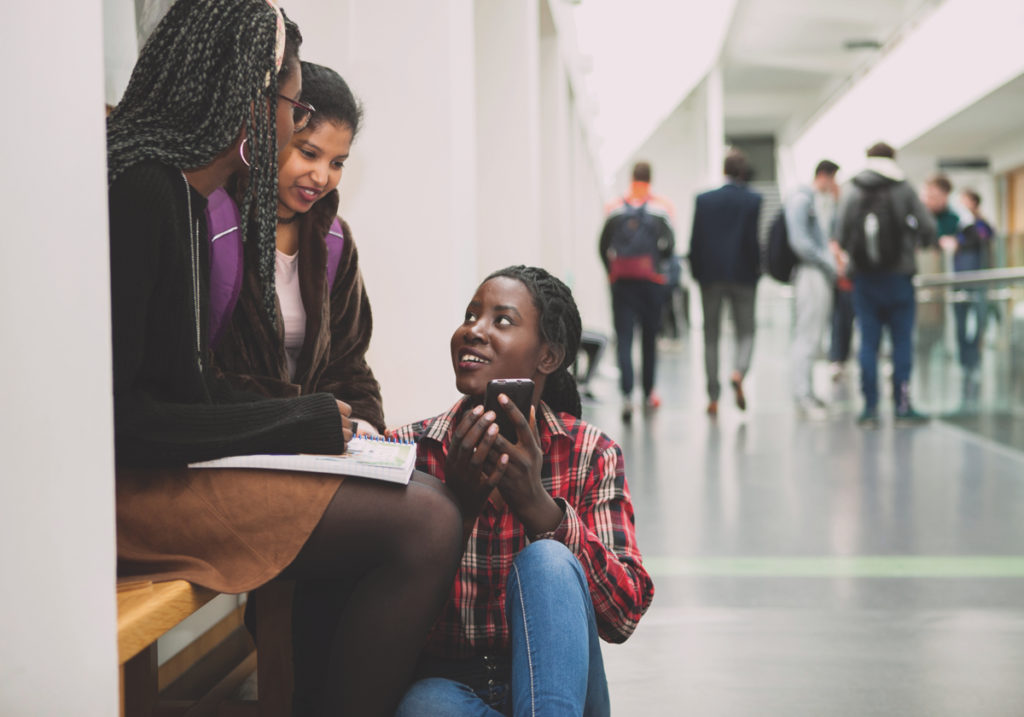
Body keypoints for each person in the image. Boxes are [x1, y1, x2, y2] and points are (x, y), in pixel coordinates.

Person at [105, 3, 462, 715]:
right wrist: (297, 424)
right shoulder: (150, 194)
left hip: (172, 472)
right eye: (293, 109)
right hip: (132, 493)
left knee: (427, 496)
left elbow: (193, 390)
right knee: (428, 522)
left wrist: (321, 420)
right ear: (250, 96)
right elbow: (126, 422)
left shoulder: (174, 193)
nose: (295, 128)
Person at [392, 266, 655, 716]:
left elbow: (623, 615)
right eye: (471, 315)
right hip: (453, 684)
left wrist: (541, 509)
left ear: (547, 357)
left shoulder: (591, 454)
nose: (474, 330)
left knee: (548, 561)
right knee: (424, 706)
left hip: (563, 685)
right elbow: (392, 625)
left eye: (502, 320)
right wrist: (454, 512)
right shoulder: (407, 452)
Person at [212, 61, 384, 435]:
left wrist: (363, 426)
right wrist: (298, 415)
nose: (322, 177)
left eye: (337, 163)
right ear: (274, 132)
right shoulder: (213, 222)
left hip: (309, 441)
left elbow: (349, 367)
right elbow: (201, 371)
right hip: (234, 439)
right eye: (309, 153)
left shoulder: (335, 241)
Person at [835, 142, 936, 427]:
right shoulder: (903, 187)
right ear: (893, 159)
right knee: (902, 343)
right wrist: (915, 242)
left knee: (868, 343)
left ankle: (870, 409)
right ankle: (903, 407)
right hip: (899, 278)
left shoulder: (852, 189)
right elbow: (928, 227)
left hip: (865, 280)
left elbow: (840, 234)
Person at [598, 161, 676, 421]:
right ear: (650, 178)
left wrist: (612, 272)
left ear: (632, 178)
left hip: (622, 283)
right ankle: (648, 393)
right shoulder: (661, 207)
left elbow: (602, 245)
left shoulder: (614, 208)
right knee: (649, 340)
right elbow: (670, 246)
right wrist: (657, 265)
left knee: (625, 339)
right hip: (651, 283)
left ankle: (626, 396)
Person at [689, 149, 763, 416]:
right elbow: (753, 241)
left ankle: (713, 397)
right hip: (743, 275)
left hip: (710, 276)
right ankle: (738, 371)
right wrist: (757, 270)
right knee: (746, 332)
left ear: (724, 170)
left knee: (711, 336)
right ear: (743, 172)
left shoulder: (704, 200)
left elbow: (695, 240)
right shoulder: (753, 200)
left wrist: (697, 273)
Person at [785, 159, 841, 418]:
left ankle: (806, 390)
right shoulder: (802, 200)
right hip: (810, 273)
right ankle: (801, 393)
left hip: (817, 272)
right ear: (825, 176)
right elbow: (800, 242)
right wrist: (826, 261)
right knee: (806, 334)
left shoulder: (813, 201)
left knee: (812, 335)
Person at [947, 189, 996, 406]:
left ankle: (974, 361)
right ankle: (964, 361)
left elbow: (984, 239)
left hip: (978, 282)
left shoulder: (980, 225)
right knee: (960, 322)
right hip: (959, 282)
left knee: (979, 322)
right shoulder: (959, 225)